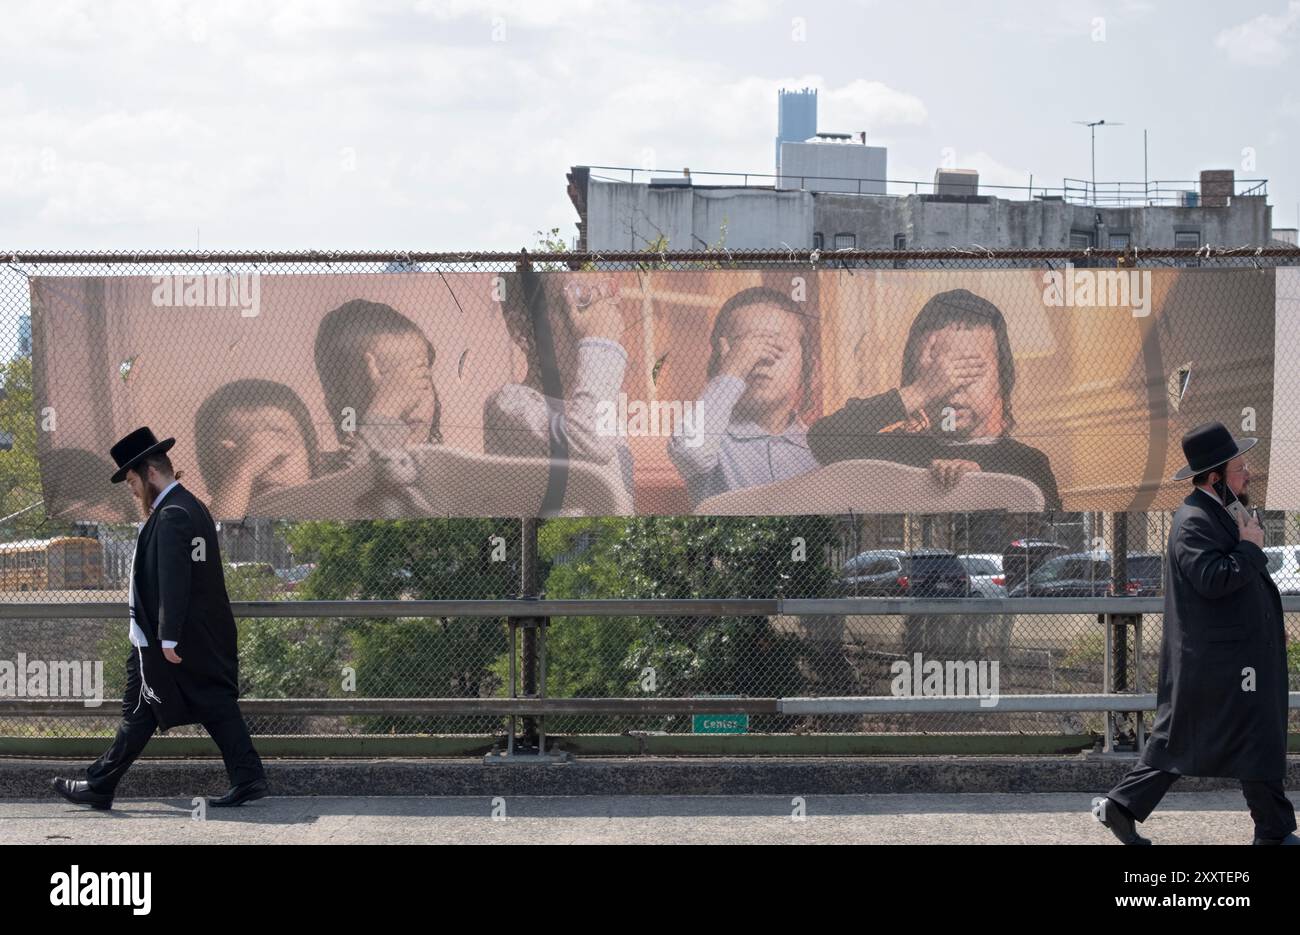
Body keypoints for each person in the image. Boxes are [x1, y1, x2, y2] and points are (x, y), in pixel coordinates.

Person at [1092, 422, 1296, 845]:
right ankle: (1122, 806)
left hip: (1236, 654)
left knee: (1237, 737)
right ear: (1216, 477)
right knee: (1202, 738)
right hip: (1218, 661)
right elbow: (1214, 579)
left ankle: (1271, 829)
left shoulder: (1223, 512)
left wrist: (1268, 631)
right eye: (1240, 468)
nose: (1248, 475)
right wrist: (1251, 547)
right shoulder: (1193, 520)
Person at [51, 427, 268, 809]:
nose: (132, 490)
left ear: (150, 472)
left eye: (132, 480)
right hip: (177, 636)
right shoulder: (190, 505)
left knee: (181, 706)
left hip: (169, 640)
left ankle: (100, 785)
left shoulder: (171, 515)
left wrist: (167, 639)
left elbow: (174, 580)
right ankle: (247, 777)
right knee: (194, 704)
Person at [806, 288, 1060, 512]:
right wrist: (921, 391)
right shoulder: (895, 451)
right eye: (937, 374)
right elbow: (822, 439)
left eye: (969, 369)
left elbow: (1040, 524)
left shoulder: (1027, 463)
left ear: (1002, 377)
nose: (953, 389)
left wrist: (985, 485)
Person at [667, 286, 819, 508]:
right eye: (744, 348)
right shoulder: (713, 441)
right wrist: (733, 371)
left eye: (775, 346)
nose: (759, 358)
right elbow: (690, 453)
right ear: (722, 361)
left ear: (808, 366)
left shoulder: (818, 447)